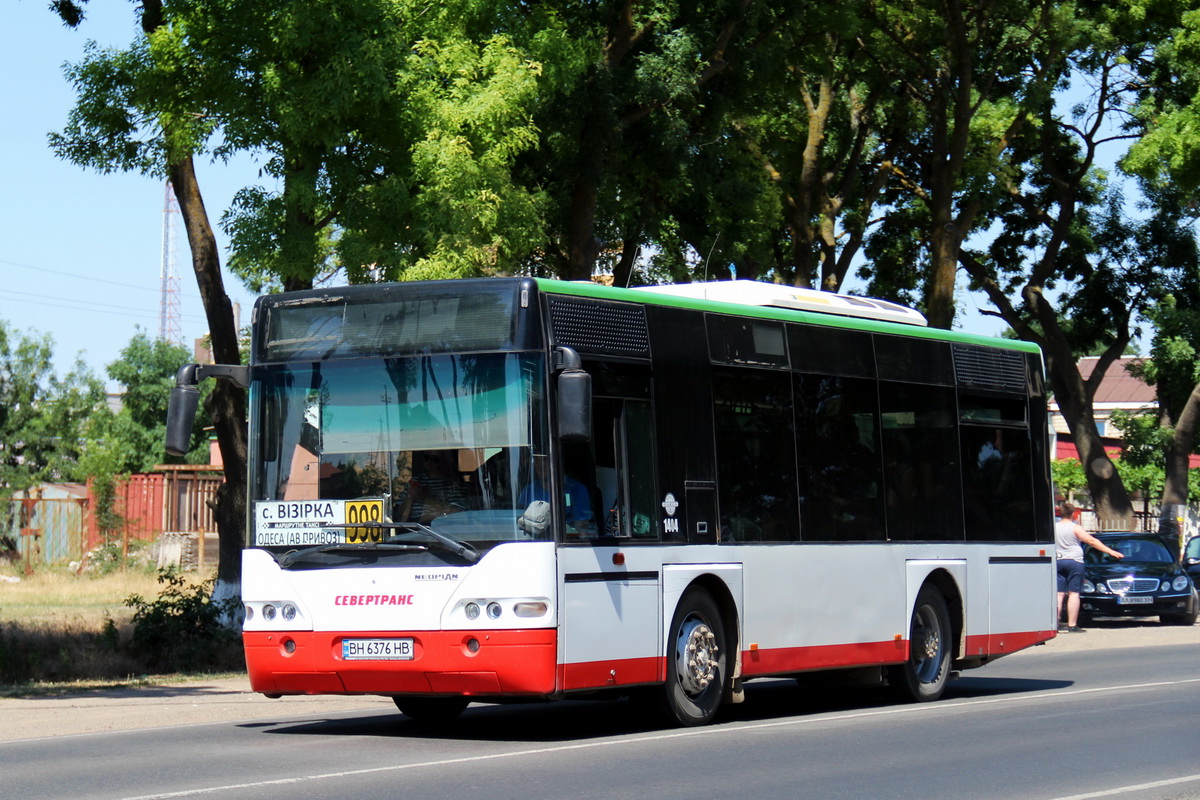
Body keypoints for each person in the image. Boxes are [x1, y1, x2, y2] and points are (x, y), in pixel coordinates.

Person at [1055, 502, 1123, 632]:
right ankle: (1072, 625)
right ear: (1073, 514)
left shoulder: (1054, 527)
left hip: (1058, 560)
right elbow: (1091, 541)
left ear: (1060, 513)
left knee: (1059, 594)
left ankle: (1055, 624)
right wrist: (1110, 551)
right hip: (1074, 561)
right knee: (1074, 593)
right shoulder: (1076, 528)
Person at [518, 454, 596, 532]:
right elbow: (520, 521)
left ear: (556, 461)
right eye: (537, 459)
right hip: (532, 540)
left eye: (545, 459)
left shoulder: (576, 489)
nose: (541, 464)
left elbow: (581, 528)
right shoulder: (528, 491)